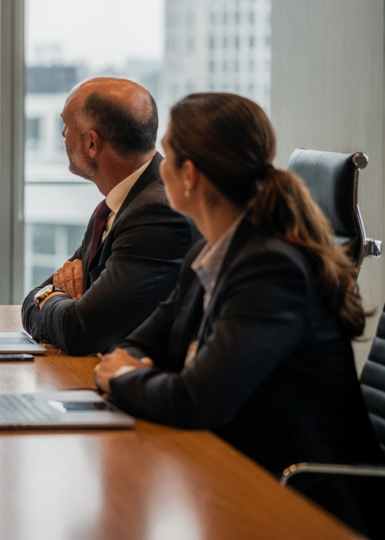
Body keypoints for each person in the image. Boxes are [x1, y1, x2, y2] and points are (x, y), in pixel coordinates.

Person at [94, 92, 383, 536]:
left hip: (303, 500)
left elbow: (197, 398)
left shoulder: (271, 268)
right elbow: (141, 344)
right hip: (232, 465)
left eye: (166, 156)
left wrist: (122, 378)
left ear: (189, 176)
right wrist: (134, 365)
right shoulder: (207, 255)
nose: (158, 166)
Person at [20, 78, 196, 355]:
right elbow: (46, 293)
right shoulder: (118, 204)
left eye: (66, 125)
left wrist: (53, 300)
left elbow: (81, 329)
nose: (63, 134)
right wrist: (60, 298)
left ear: (92, 143)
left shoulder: (156, 214)